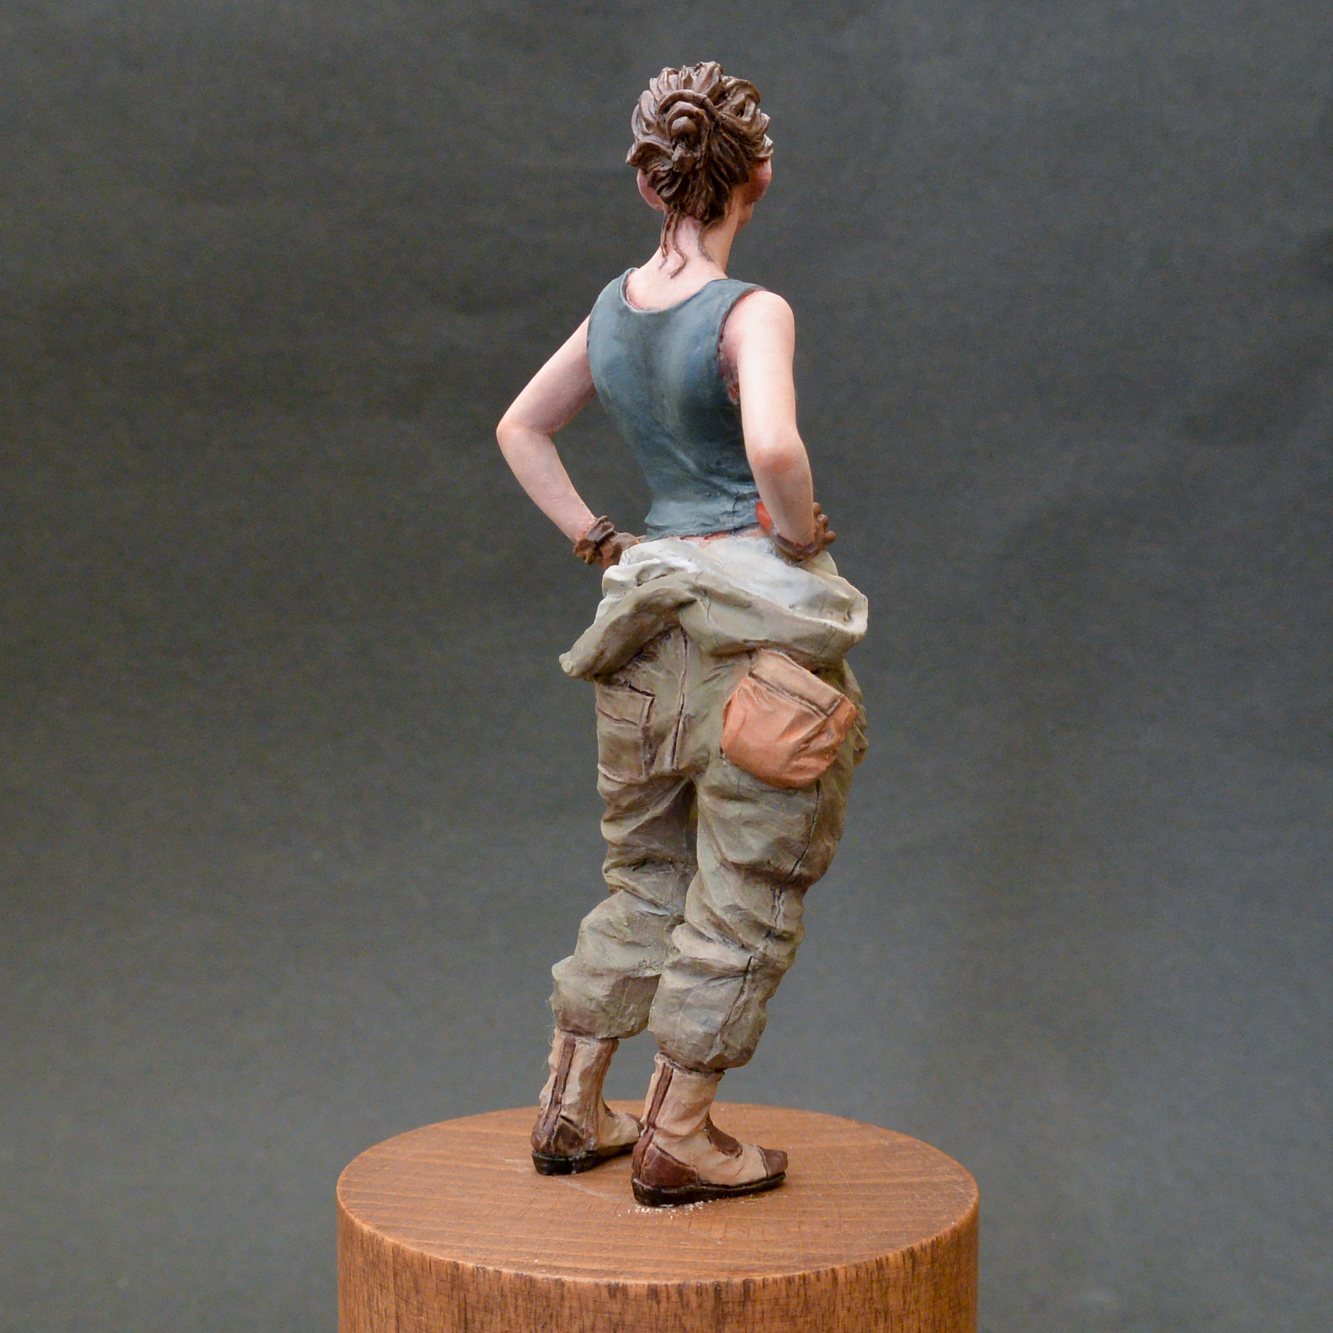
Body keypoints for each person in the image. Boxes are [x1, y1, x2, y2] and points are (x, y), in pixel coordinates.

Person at [495, 62, 868, 1206]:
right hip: (755, 642)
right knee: (747, 879)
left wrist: (597, 538)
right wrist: (796, 532)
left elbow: (520, 427)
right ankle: (680, 1131)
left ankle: (570, 1104)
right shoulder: (752, 312)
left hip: (644, 626)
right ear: (760, 174)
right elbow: (774, 448)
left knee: (645, 873)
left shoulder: (613, 310)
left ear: (646, 178)